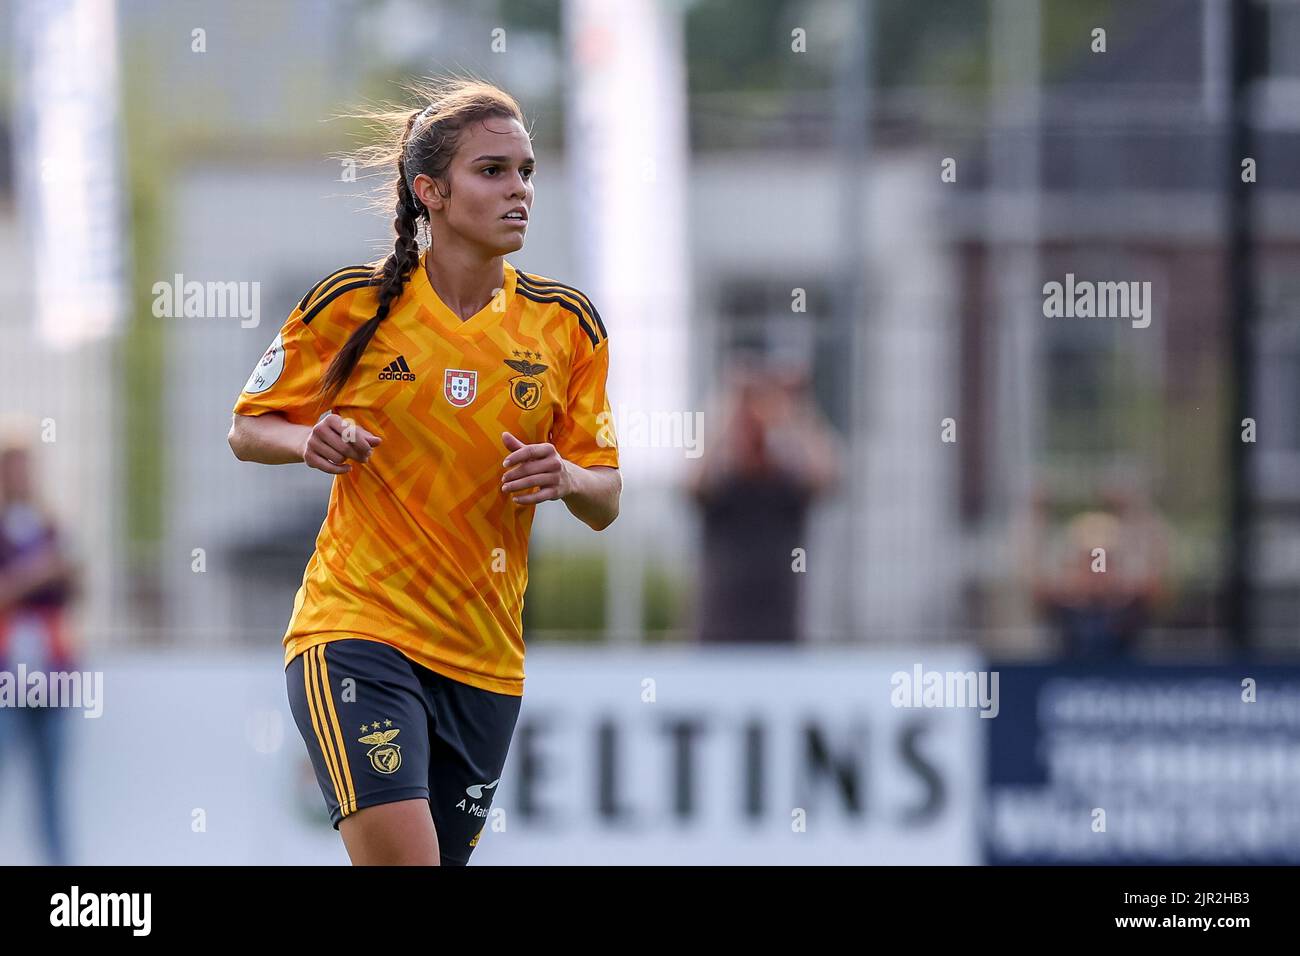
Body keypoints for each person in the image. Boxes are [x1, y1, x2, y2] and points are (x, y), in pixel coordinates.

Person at [227, 78, 621, 865]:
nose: (519, 191)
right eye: (493, 171)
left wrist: (568, 478)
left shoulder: (565, 325)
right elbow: (247, 427)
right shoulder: (353, 305)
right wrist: (309, 440)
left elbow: (606, 498)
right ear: (429, 192)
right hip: (356, 631)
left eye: (527, 171)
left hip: (484, 660)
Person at [686, 354, 838, 643]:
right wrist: (730, 402)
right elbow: (692, 479)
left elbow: (828, 474)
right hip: (718, 637)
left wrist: (798, 406)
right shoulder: (721, 488)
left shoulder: (786, 487)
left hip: (779, 636)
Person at [0, 426, 80, 865]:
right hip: (6, 671)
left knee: (51, 786)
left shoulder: (50, 527)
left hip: (53, 671)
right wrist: (39, 574)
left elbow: (73, 585)